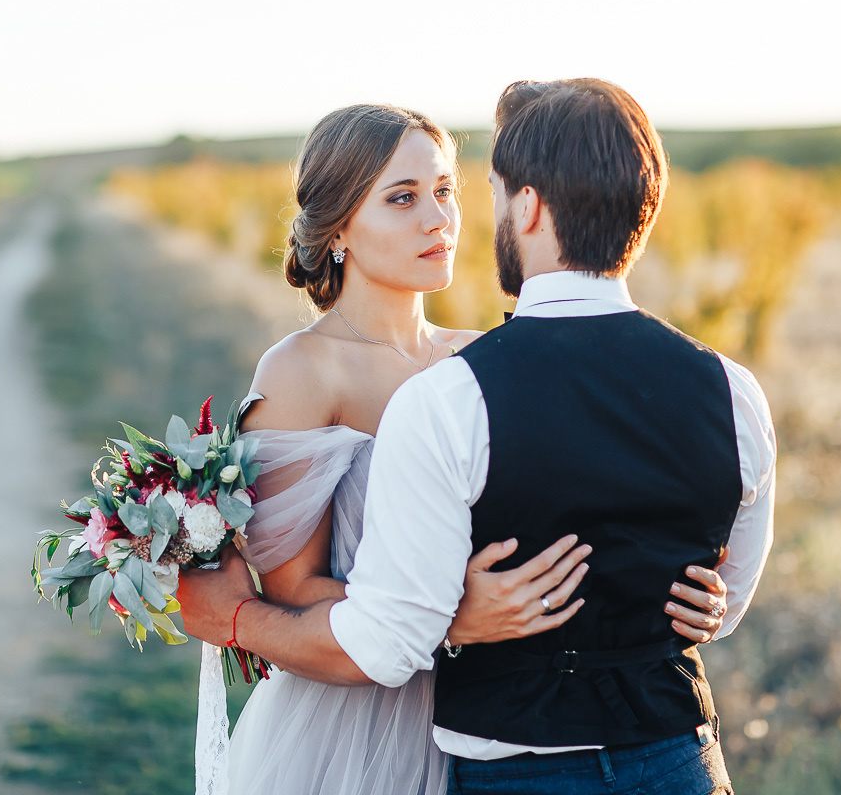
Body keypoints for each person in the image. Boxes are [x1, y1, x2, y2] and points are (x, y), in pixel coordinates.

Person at [187, 87, 753, 795]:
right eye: (403, 198)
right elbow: (290, 590)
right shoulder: (302, 371)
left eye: (447, 191)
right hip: (358, 724)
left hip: (495, 712)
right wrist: (452, 619)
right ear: (338, 228)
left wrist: (679, 591)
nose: (439, 220)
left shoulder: (478, 360)